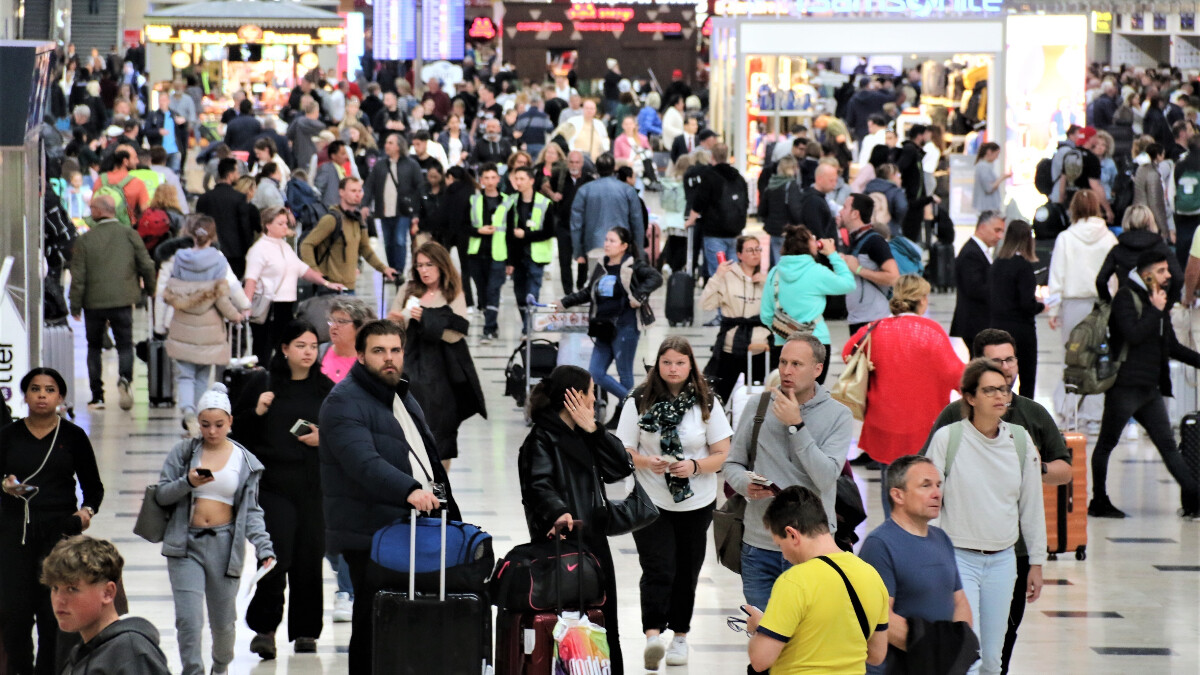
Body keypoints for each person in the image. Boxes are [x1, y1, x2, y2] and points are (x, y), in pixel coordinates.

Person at [921, 329, 1070, 674]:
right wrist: (933, 556)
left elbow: (1031, 506)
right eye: (990, 388)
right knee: (967, 654)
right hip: (958, 556)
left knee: (993, 658)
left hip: (1005, 559)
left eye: (1004, 386)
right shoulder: (949, 434)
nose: (1001, 391)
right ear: (970, 396)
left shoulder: (1021, 439)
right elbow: (928, 493)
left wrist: (1036, 562)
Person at [319, 320, 458, 674]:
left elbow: (425, 456)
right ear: (361, 356)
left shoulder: (399, 393)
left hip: (405, 526)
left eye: (395, 350)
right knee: (373, 622)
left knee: (404, 622)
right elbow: (363, 462)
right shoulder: (343, 401)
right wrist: (409, 490)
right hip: (370, 531)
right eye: (379, 351)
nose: (389, 358)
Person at [615, 337, 732, 670]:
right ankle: (653, 636)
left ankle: (680, 636)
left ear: (690, 365)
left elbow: (722, 454)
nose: (673, 369)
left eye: (680, 363)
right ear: (657, 365)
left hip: (697, 502)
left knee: (686, 571)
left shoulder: (707, 401)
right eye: (667, 363)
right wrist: (645, 461)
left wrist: (694, 466)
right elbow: (622, 449)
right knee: (657, 568)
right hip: (650, 501)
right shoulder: (638, 400)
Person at [721, 334, 854, 609]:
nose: (786, 370)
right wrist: (745, 485)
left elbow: (827, 476)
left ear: (817, 369)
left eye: (796, 364)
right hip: (760, 546)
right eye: (783, 362)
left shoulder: (839, 415)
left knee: (807, 643)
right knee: (765, 637)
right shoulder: (757, 406)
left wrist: (796, 426)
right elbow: (732, 463)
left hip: (812, 548)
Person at [517, 365, 634, 675]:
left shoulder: (585, 434)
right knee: (568, 626)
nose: (595, 400)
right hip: (561, 546)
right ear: (575, 397)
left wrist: (596, 429)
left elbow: (621, 468)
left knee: (604, 620)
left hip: (594, 542)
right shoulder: (541, 438)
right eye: (591, 393)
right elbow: (538, 485)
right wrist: (558, 512)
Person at [230, 320, 334, 659]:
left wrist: (324, 437)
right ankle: (265, 628)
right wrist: (256, 412)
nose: (308, 352)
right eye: (300, 345)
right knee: (276, 556)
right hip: (272, 485)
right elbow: (233, 434)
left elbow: (346, 435)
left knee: (308, 557)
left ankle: (306, 632)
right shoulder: (263, 383)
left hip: (313, 486)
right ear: (285, 349)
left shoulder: (326, 389)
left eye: (313, 346)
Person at [156, 382, 275, 675]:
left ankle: (220, 668)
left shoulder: (244, 461)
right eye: (205, 424)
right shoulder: (183, 454)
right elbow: (161, 494)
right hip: (185, 546)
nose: (211, 431)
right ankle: (192, 671)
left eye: (219, 424)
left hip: (225, 547)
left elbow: (252, 512)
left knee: (223, 624)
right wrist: (188, 483)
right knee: (189, 619)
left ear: (230, 422)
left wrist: (264, 546)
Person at [0, 368, 104, 675]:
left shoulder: (72, 436)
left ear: (60, 397)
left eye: (49, 389)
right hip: (13, 531)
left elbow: (93, 487)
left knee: (54, 613)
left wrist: (86, 513)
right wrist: (4, 485)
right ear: (25, 395)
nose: (42, 395)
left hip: (59, 533)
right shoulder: (8, 435)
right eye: (35, 389)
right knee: (15, 612)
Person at [1089, 249, 1200, 519]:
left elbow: (1171, 346)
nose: (1168, 275)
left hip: (1149, 389)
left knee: (1168, 447)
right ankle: (1099, 501)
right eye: (1162, 271)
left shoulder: (1157, 301)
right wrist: (1156, 310)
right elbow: (1133, 335)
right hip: (1125, 386)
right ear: (1146, 274)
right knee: (1106, 444)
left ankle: (1196, 500)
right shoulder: (1126, 297)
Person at [843, 275, 963, 513]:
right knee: (923, 489)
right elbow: (956, 375)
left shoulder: (874, 328)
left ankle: (892, 537)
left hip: (883, 424)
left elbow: (849, 352)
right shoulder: (931, 331)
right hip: (923, 426)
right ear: (920, 300)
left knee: (892, 489)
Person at [742, 485, 889, 674]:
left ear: (792, 534)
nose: (784, 555)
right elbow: (877, 654)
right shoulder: (871, 575)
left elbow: (760, 660)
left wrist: (760, 629)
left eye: (780, 545)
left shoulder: (795, 581)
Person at [858, 455, 973, 675]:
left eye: (938, 485)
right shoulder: (879, 545)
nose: (937, 493)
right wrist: (933, 652)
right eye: (925, 485)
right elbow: (879, 616)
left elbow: (959, 600)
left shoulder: (942, 539)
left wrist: (958, 648)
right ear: (898, 495)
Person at [387, 241, 487, 471]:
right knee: (408, 430)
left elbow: (456, 333)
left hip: (443, 373)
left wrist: (427, 318)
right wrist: (398, 320)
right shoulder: (409, 289)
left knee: (441, 437)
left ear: (442, 265)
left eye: (429, 264)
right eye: (419, 265)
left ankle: (440, 495)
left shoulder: (453, 292)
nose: (424, 270)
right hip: (410, 366)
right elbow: (393, 327)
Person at [163, 215, 252, 437]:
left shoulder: (180, 259)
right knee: (203, 375)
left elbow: (172, 290)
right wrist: (236, 315)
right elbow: (223, 297)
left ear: (190, 233)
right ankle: (202, 417)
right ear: (212, 236)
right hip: (210, 328)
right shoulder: (218, 261)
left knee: (184, 375)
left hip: (182, 324)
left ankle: (188, 412)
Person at [69, 193, 155, 411]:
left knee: (94, 347)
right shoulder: (129, 234)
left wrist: (75, 305)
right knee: (125, 345)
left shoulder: (85, 240)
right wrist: (151, 290)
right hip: (123, 300)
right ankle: (125, 380)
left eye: (91, 209)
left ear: (99, 211)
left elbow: (78, 277)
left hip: (93, 303)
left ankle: (97, 396)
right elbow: (146, 264)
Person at [562, 227, 663, 405]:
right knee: (595, 372)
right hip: (603, 327)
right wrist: (564, 302)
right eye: (606, 240)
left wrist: (637, 296)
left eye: (612, 241)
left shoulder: (633, 265)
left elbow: (656, 278)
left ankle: (626, 411)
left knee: (625, 374)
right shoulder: (601, 266)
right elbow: (588, 291)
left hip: (626, 326)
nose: (607, 244)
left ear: (624, 246)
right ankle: (637, 404)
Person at [43, 535, 171, 675]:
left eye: (72, 589)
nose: (59, 600)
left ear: (108, 593)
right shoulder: (77, 654)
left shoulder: (130, 653)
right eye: (55, 588)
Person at [1048, 189, 1118, 431]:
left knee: (1074, 361)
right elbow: (1115, 278)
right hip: (1102, 306)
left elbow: (1057, 275)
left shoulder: (1066, 238)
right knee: (1099, 360)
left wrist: (1053, 310)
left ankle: (1069, 414)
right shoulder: (1109, 238)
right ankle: (1094, 417)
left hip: (1073, 306)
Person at [244, 206, 346, 368]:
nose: (286, 227)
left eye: (286, 223)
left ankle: (279, 378)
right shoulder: (258, 250)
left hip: (286, 305)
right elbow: (251, 279)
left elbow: (302, 269)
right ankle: (262, 380)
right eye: (281, 223)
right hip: (269, 306)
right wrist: (246, 305)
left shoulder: (284, 247)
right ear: (268, 225)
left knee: (284, 346)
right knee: (264, 347)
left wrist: (327, 283)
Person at [760, 225, 855, 383]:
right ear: (808, 245)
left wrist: (784, 330)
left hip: (783, 345)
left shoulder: (775, 273)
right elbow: (848, 284)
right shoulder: (817, 271)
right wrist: (833, 255)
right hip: (817, 341)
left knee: (784, 398)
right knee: (812, 399)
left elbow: (766, 315)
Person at [701, 235, 771, 401]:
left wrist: (768, 284)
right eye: (750, 250)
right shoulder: (727, 276)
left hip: (760, 347)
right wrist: (717, 276)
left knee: (757, 400)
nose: (755, 253)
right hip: (729, 346)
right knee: (716, 397)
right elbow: (705, 304)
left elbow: (782, 308)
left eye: (758, 249)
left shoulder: (767, 279)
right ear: (739, 254)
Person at [300, 177, 398, 290]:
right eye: (353, 191)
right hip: (330, 288)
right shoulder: (331, 219)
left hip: (350, 287)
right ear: (341, 192)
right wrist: (314, 271)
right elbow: (306, 244)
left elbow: (365, 249)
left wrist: (384, 269)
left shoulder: (358, 219)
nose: (357, 195)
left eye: (359, 191)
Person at [493, 166, 554, 328]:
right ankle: (527, 323)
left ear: (531, 181)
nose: (518, 182)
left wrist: (526, 235)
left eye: (522, 179)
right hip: (518, 257)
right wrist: (509, 261)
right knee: (519, 295)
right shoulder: (511, 202)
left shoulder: (544, 203)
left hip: (536, 257)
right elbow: (508, 234)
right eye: (516, 179)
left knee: (532, 294)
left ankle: (528, 329)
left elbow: (549, 232)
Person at [989, 221, 1045, 398]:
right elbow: (1026, 304)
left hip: (997, 327)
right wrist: (1041, 305)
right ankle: (1023, 420)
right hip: (1021, 330)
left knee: (999, 379)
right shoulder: (1024, 266)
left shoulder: (997, 264)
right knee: (1027, 379)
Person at [837, 193, 900, 334]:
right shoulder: (856, 240)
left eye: (845, 207)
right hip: (858, 319)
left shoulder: (875, 241)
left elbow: (893, 277)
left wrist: (858, 269)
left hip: (874, 321)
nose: (840, 212)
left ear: (855, 214)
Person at [571, 152, 646, 270]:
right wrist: (639, 251)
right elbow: (637, 222)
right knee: (619, 283)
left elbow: (576, 225)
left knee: (598, 282)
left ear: (596, 168)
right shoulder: (627, 190)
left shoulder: (584, 190)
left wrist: (578, 252)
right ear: (614, 168)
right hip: (620, 246)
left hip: (594, 245)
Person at [362, 133, 423, 273]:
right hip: (384, 211)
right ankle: (393, 269)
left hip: (403, 210)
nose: (386, 145)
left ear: (398, 146)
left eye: (390, 143)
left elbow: (420, 188)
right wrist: (365, 204)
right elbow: (370, 186)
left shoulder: (411, 165)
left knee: (399, 240)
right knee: (388, 243)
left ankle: (399, 270)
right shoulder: (380, 165)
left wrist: (417, 212)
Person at [686, 142, 749, 278]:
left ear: (712, 157)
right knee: (734, 272)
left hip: (714, 231)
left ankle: (720, 298)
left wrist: (691, 220)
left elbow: (699, 202)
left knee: (718, 272)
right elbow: (746, 203)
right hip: (735, 231)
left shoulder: (710, 176)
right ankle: (732, 297)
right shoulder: (738, 178)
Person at [950, 211, 1006, 357]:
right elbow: (975, 288)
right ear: (982, 227)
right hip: (975, 323)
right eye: (997, 230)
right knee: (981, 366)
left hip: (980, 322)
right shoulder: (971, 253)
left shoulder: (980, 251)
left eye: (1002, 231)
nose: (999, 236)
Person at [466, 164, 506, 341]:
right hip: (477, 252)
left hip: (498, 253)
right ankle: (492, 322)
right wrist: (478, 231)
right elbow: (464, 225)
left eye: (493, 177)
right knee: (482, 293)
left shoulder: (507, 201)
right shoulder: (473, 200)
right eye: (486, 178)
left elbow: (510, 230)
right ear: (481, 181)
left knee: (493, 291)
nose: (489, 181)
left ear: (498, 179)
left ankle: (489, 328)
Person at [195, 157, 254, 278]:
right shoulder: (239, 198)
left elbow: (197, 224)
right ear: (230, 175)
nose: (238, 175)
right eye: (237, 172)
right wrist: (248, 247)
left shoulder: (204, 198)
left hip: (209, 250)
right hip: (235, 253)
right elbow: (245, 227)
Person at [550, 150, 594, 293]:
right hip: (564, 225)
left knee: (583, 258)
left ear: (582, 163)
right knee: (564, 260)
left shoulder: (589, 181)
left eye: (577, 162)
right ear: (567, 163)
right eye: (571, 162)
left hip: (583, 227)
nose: (574, 165)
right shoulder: (559, 179)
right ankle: (568, 291)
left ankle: (581, 284)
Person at [1132, 142, 1171, 237]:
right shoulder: (1153, 174)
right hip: (1149, 219)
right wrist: (1164, 228)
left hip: (1137, 215)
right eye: (1163, 154)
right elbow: (1155, 202)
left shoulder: (1140, 169)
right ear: (1158, 155)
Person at [973, 143, 1009, 214]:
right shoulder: (983, 167)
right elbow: (989, 188)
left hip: (987, 207)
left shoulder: (983, 166)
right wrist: (1001, 178)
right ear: (989, 152)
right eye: (996, 154)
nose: (997, 157)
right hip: (987, 207)